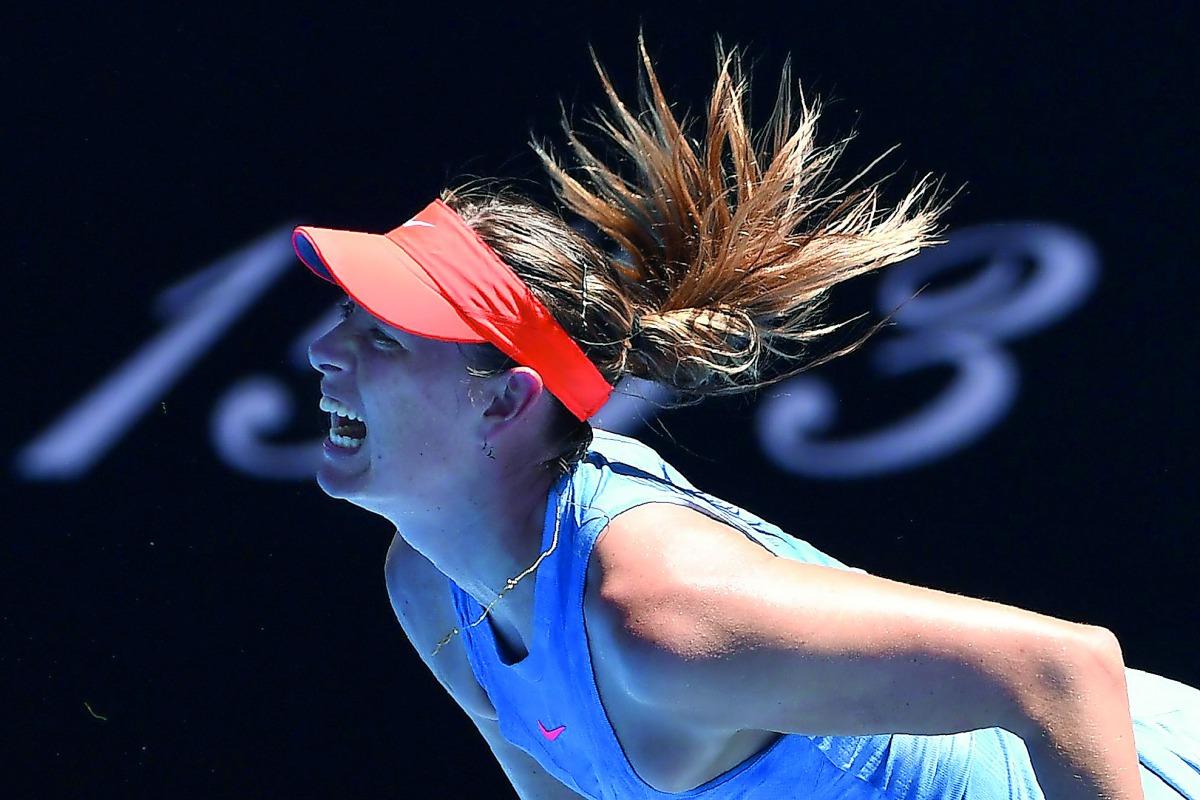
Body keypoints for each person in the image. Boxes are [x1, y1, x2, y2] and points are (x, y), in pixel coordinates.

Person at [295, 43, 1199, 800]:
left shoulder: (661, 614)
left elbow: (1064, 671)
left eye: (382, 337)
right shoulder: (430, 585)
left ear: (506, 399)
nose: (324, 351)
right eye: (345, 317)